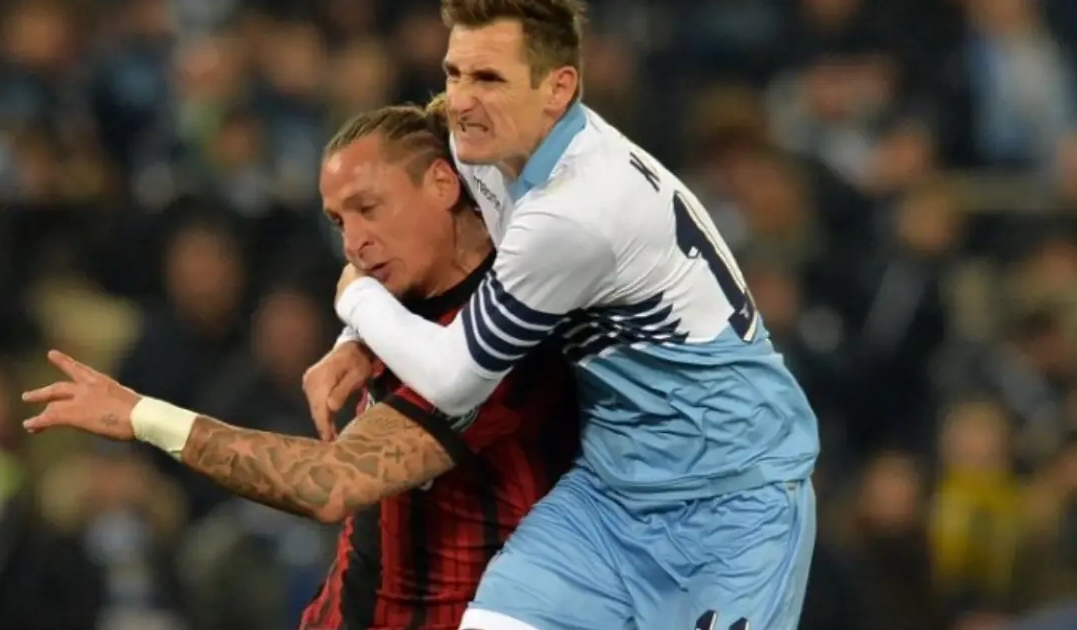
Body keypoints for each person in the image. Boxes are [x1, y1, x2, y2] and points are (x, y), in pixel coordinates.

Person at [307, 1, 821, 629]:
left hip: (731, 498)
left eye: (488, 78)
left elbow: (453, 380)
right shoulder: (481, 148)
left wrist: (354, 297)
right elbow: (402, 224)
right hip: (608, 494)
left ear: (558, 88)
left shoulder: (575, 211)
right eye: (454, 73)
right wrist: (354, 338)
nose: (461, 100)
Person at [21, 103, 579, 630]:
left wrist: (142, 415)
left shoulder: (500, 337)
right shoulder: (404, 299)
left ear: (441, 183)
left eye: (368, 208)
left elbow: (331, 483)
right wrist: (354, 330)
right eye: (339, 222)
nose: (354, 243)